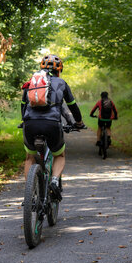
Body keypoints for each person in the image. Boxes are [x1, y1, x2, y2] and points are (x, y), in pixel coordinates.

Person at [21, 54, 85, 201]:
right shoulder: (62, 83)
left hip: (30, 123)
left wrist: (24, 121)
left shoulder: (32, 83)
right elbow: (72, 106)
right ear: (59, 70)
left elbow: (23, 106)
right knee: (59, 155)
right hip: (52, 124)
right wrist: (79, 123)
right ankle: (55, 181)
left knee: (30, 156)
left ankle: (29, 193)